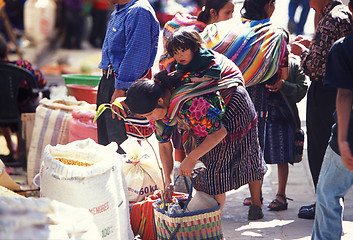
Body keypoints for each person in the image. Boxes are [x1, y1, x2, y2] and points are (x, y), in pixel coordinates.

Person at [125, 63, 266, 216]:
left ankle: (252, 206)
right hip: (208, 120)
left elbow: (218, 132)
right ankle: (211, 218)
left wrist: (191, 157)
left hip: (234, 106)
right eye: (146, 117)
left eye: (149, 115)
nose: (150, 119)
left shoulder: (189, 104)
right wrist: (168, 181)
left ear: (160, 101)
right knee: (206, 165)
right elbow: (164, 144)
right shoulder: (155, 106)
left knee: (224, 165)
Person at [201, 0, 289, 212]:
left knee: (216, 142)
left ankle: (212, 202)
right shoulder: (275, 35)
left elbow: (205, 56)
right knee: (253, 144)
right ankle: (256, 202)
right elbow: (282, 74)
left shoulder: (222, 29)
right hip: (254, 97)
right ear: (269, 5)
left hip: (220, 94)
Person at [291, 0, 353, 219]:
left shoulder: (330, 19)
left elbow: (316, 66)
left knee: (319, 148)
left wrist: (301, 52)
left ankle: (324, 205)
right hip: (338, 89)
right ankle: (328, 202)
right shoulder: (341, 14)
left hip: (325, 91)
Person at [96, 0, 159, 153]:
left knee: (121, 146)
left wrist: (121, 89)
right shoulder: (118, 11)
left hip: (123, 87)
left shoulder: (139, 11)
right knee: (106, 144)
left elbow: (136, 55)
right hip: (109, 82)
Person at [311, 34, 353, 239]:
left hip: (349, 136)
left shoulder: (344, 47)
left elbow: (344, 94)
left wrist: (343, 139)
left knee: (328, 194)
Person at [265, 53, 308, 211]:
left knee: (282, 157)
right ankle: (255, 195)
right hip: (263, 115)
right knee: (256, 156)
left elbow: (302, 89)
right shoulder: (260, 63)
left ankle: (281, 195)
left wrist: (284, 85)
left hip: (284, 117)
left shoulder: (293, 66)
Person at [0, 34, 46, 163]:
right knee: (24, 103)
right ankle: (20, 150)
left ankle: (11, 148)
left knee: (5, 106)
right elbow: (41, 82)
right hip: (22, 112)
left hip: (2, 116)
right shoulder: (22, 66)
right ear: (7, 49)